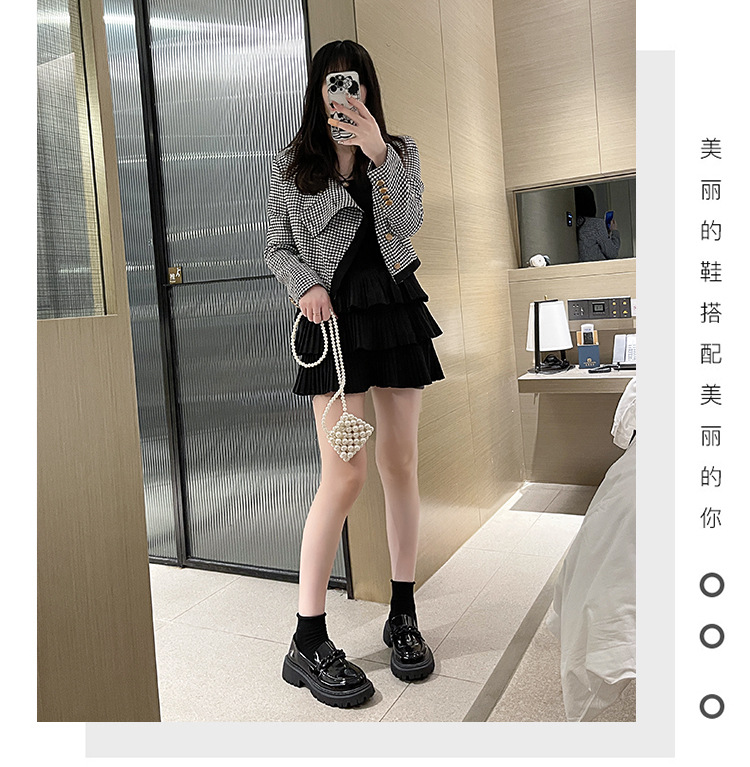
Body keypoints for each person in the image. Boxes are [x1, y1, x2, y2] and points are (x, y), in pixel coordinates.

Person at [263, 39, 445, 709]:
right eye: (334, 84)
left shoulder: (399, 151)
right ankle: (307, 637)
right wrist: (304, 284)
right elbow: (276, 245)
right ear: (319, 91)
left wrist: (379, 157)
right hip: (334, 322)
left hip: (394, 311)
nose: (346, 94)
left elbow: (407, 225)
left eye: (356, 82)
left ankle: (403, 612)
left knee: (402, 464)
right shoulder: (292, 164)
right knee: (345, 476)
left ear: (368, 88)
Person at [574, 185, 621, 261]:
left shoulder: (574, 224)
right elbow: (612, 253)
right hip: (598, 266)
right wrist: (614, 231)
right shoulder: (596, 224)